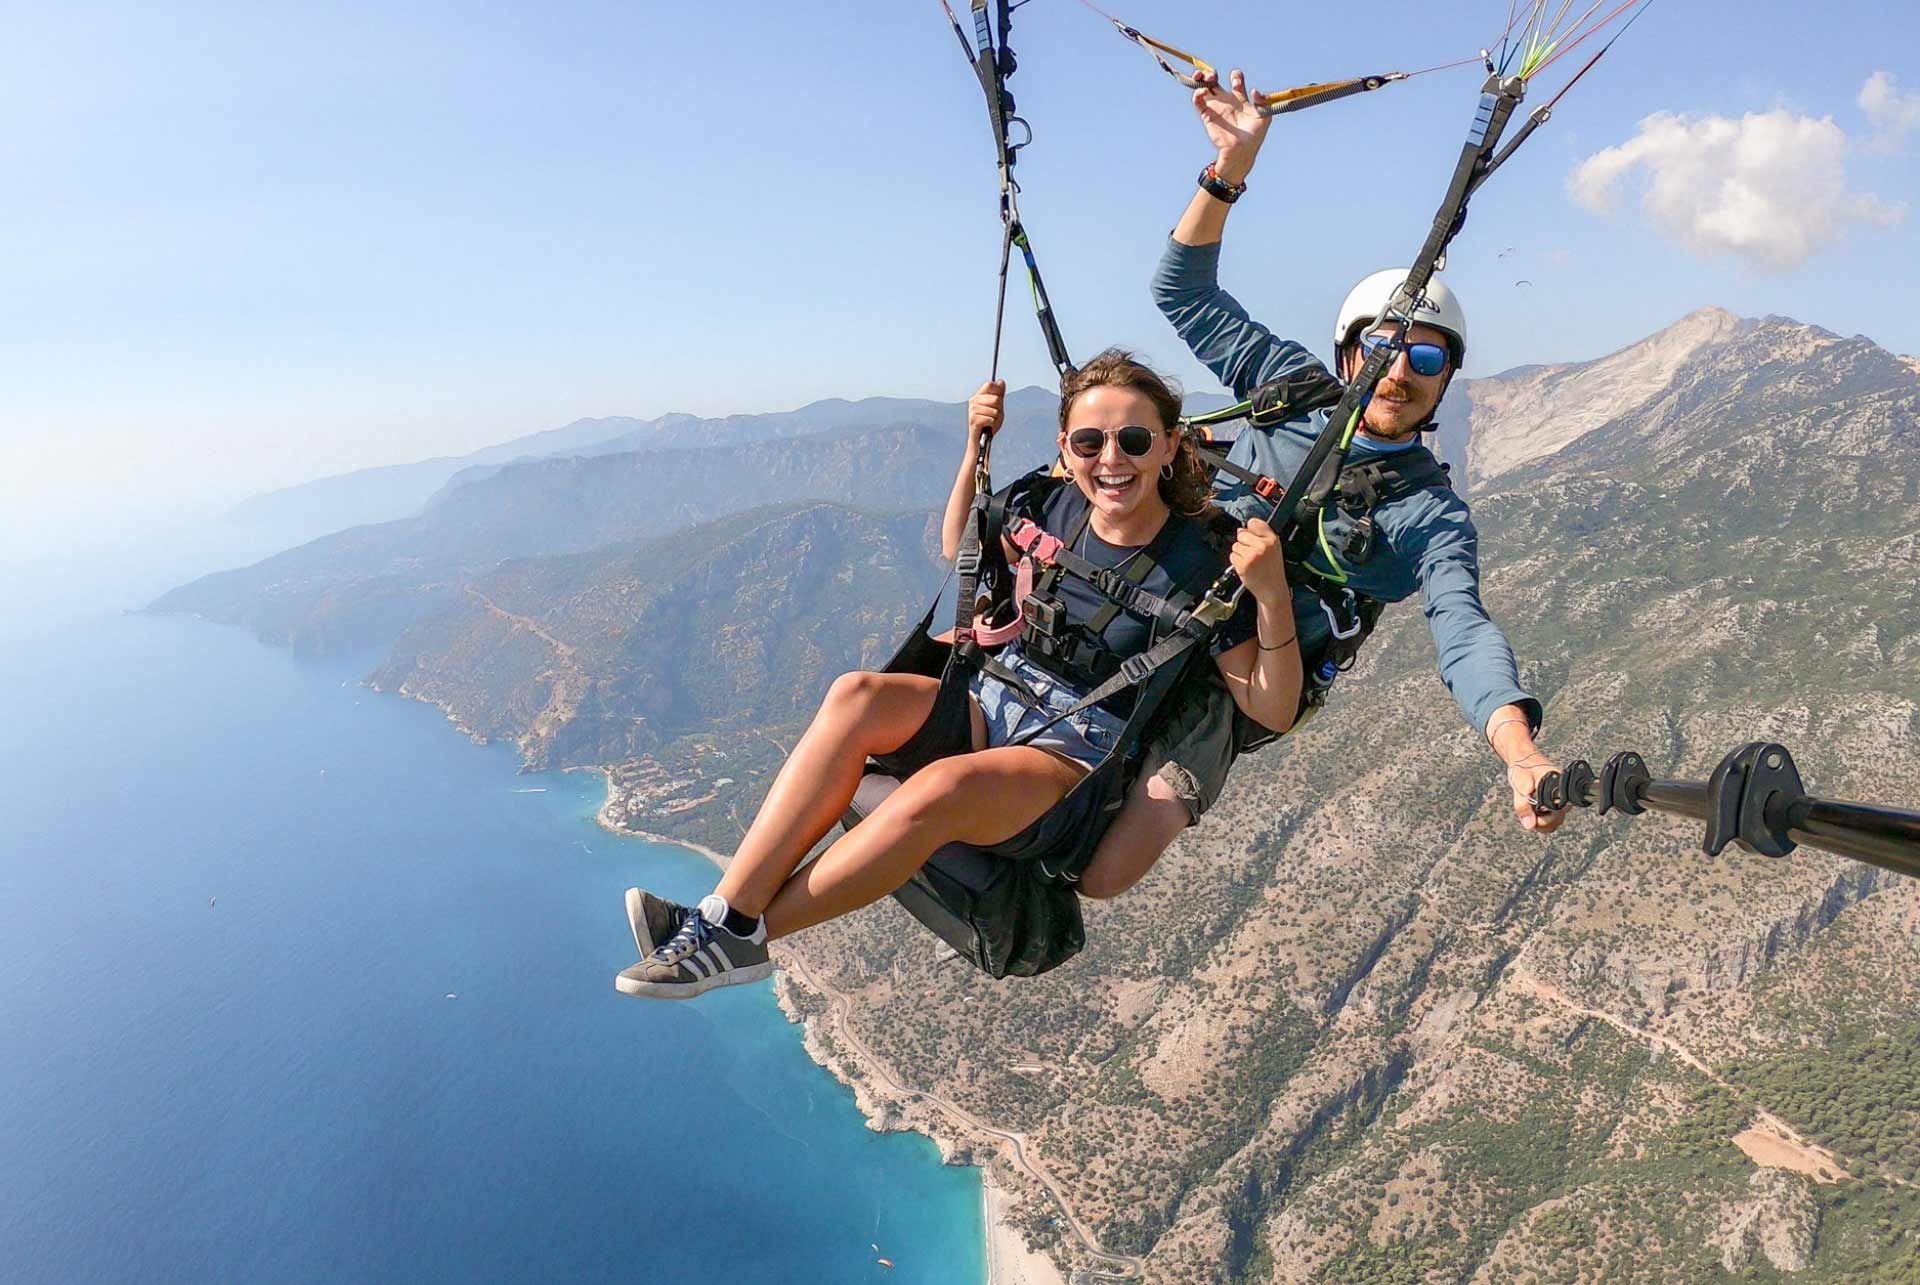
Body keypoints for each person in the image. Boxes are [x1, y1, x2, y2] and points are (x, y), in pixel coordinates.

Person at [615, 350, 1303, 998]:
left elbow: (1271, 707)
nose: (1112, 459)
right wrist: (975, 447)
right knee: (855, 694)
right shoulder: (1052, 501)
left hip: (1071, 760)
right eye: (1090, 442)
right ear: (1066, 448)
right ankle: (720, 914)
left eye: (1134, 440)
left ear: (1171, 445)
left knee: (941, 787)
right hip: (992, 696)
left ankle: (748, 937)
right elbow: (958, 547)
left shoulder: (1204, 558)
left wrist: (1269, 595)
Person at [1074, 68, 1568, 900]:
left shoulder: (1428, 515)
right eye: (1383, 350)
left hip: (1250, 679)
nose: (1399, 373)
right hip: (1154, 589)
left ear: (1448, 380)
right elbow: (1181, 291)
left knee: (1106, 871)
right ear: (1348, 353)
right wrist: (1234, 162)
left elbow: (1464, 629)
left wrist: (1519, 749)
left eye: (1425, 358)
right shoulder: (1288, 387)